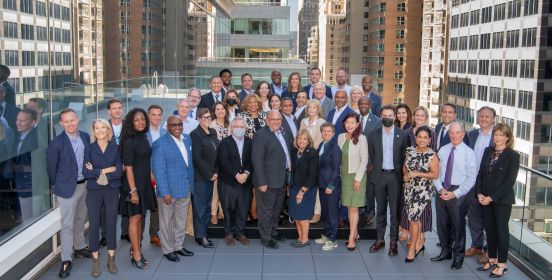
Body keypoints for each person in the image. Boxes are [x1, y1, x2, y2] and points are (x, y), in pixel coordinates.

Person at [46, 109, 92, 278]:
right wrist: (59, 186)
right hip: (67, 190)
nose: (70, 124)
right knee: (67, 225)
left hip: (84, 185)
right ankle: (66, 259)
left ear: (78, 120)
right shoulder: (56, 143)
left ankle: (79, 248)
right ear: (61, 123)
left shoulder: (85, 137)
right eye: (66, 122)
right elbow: (51, 169)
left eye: (73, 120)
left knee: (81, 218)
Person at [474, 123, 520, 278]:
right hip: (484, 198)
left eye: (502, 135)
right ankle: (492, 259)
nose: (498, 137)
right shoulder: (488, 151)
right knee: (490, 230)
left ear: (507, 137)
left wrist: (491, 198)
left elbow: (509, 182)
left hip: (501, 200)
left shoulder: (513, 156)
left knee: (501, 231)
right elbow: (480, 174)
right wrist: (480, 194)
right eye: (496, 134)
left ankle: (502, 264)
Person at [431, 122, 477, 270]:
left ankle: (458, 257)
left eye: (457, 133)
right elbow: (435, 172)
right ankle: (445, 252)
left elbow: (471, 178)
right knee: (442, 224)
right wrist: (440, 189)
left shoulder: (469, 153)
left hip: (459, 192)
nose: (454, 135)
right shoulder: (442, 150)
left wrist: (454, 194)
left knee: (458, 227)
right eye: (452, 133)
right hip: (442, 189)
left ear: (463, 134)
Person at [152, 115, 195, 263]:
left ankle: (178, 246)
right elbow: (159, 170)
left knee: (180, 220)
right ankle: (167, 249)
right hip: (168, 192)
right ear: (167, 127)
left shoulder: (188, 139)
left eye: (179, 124)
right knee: (166, 222)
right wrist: (165, 192)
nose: (177, 127)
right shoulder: (160, 144)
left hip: (185, 187)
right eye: (173, 125)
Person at [83, 119, 122, 277]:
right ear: (93, 131)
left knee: (111, 222)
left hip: (111, 190)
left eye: (103, 127)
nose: (100, 131)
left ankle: (111, 258)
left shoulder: (116, 148)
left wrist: (97, 170)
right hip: (94, 191)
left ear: (108, 130)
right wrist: (106, 170)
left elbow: (119, 171)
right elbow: (86, 173)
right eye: (96, 128)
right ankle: (96, 260)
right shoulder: (89, 148)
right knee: (94, 224)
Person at [367, 105, 408, 256]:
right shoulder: (373, 135)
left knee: (395, 212)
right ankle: (380, 239)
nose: (387, 118)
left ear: (394, 117)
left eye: (390, 115)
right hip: (379, 177)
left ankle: (393, 242)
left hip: (395, 178)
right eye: (384, 115)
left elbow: (405, 157)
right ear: (380, 117)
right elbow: (372, 156)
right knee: (381, 211)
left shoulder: (402, 135)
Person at [119, 108, 157, 269]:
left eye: (142, 119)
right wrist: (133, 191)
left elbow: (144, 162)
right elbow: (128, 168)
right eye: (136, 120)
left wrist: (150, 176)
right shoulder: (129, 142)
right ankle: (136, 255)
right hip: (133, 186)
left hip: (144, 184)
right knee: (134, 218)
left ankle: (136, 249)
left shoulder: (143, 137)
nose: (141, 122)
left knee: (141, 216)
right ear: (130, 122)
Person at [252, 110, 292, 249]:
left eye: (278, 119)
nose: (276, 121)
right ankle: (265, 237)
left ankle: (273, 232)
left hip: (281, 179)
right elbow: (257, 160)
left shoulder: (283, 133)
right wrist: (262, 181)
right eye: (273, 119)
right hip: (267, 182)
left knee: (277, 209)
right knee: (266, 210)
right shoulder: (260, 135)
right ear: (267, 120)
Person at [402, 126, 439, 263]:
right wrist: (405, 174)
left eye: (425, 138)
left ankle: (413, 248)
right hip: (409, 189)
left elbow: (435, 174)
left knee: (413, 218)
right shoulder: (410, 151)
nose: (422, 140)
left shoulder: (432, 155)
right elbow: (405, 166)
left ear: (429, 140)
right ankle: (418, 243)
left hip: (423, 191)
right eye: (419, 137)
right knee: (414, 219)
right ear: (416, 138)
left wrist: (418, 173)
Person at [217, 117, 253, 246]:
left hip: (245, 182)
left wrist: (246, 174)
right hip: (228, 182)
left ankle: (240, 233)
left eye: (242, 127)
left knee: (243, 208)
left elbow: (252, 160)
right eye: (237, 126)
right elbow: (223, 161)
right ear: (232, 128)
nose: (239, 128)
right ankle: (229, 233)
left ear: (245, 129)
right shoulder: (224, 142)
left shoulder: (250, 142)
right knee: (228, 208)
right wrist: (237, 174)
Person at [400, 106, 433, 245]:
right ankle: (408, 230)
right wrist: (406, 172)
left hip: (424, 178)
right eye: (417, 115)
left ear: (425, 117)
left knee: (422, 209)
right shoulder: (408, 132)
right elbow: (405, 153)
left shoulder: (431, 132)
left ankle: (420, 236)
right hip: (409, 176)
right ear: (413, 117)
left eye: (422, 115)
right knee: (408, 205)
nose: (419, 118)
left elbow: (433, 154)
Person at [467, 106, 496, 263]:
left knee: (489, 219)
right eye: (481, 116)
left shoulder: (497, 136)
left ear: (493, 119)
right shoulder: (472, 134)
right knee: (474, 216)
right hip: (472, 181)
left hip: (489, 184)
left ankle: (489, 250)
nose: (484, 119)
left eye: (487, 116)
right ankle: (476, 245)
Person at [338, 113, 368, 251]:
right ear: (344, 123)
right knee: (349, 207)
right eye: (347, 122)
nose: (349, 125)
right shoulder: (340, 137)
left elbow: (364, 160)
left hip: (357, 177)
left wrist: (357, 179)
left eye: (352, 122)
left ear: (357, 124)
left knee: (354, 207)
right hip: (344, 177)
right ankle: (354, 232)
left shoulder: (362, 138)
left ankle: (351, 238)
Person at [191, 108, 220, 248]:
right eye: (204, 117)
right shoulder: (195, 134)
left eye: (209, 117)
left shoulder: (213, 132)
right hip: (201, 178)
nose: (207, 119)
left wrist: (216, 171)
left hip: (212, 175)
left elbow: (217, 153)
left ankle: (204, 234)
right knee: (200, 208)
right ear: (198, 118)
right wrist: (209, 175)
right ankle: (200, 236)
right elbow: (196, 158)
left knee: (207, 207)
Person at [288, 129, 319, 247]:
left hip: (307, 189)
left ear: (308, 140)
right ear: (296, 140)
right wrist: (290, 187)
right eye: (299, 138)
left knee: (303, 215)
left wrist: (302, 192)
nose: (301, 141)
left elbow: (312, 175)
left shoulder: (312, 153)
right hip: (294, 186)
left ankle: (305, 239)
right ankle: (300, 237)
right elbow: (293, 171)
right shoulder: (295, 151)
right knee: (296, 215)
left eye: (304, 139)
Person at [314, 123, 342, 251]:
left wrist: (331, 185)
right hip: (322, 184)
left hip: (331, 186)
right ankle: (327, 235)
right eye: (324, 131)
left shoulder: (335, 148)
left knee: (332, 213)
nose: (326, 133)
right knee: (326, 212)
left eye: (328, 131)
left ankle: (333, 239)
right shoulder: (321, 145)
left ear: (333, 133)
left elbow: (336, 170)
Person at [358, 96, 381, 226]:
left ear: (370, 105)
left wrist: (372, 162)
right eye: (361, 104)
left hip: (371, 163)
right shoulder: (354, 119)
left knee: (370, 190)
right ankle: (360, 210)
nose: (363, 106)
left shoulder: (377, 121)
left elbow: (378, 144)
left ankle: (370, 213)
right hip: (357, 161)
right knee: (359, 187)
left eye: (366, 104)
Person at [145, 105, 166, 247]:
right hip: (146, 174)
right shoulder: (141, 132)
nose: (156, 118)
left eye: (159, 115)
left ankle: (154, 234)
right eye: (153, 115)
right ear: (148, 115)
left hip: (161, 174)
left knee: (158, 206)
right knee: (144, 207)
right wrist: (149, 172)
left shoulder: (165, 132)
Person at [13, 109, 38, 221]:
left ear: (32, 123)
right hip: (23, 187)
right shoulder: (20, 137)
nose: (18, 123)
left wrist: (15, 168)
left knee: (29, 222)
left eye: (22, 120)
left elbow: (37, 166)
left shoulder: (34, 140)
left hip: (30, 189)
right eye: (17, 119)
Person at [210, 102, 231, 225]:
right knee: (215, 189)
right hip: (216, 161)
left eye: (222, 108)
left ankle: (222, 211)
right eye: (217, 109)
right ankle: (213, 213)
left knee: (226, 188)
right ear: (214, 112)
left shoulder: (231, 124)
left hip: (228, 161)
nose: (220, 111)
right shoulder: (211, 125)